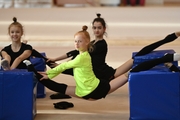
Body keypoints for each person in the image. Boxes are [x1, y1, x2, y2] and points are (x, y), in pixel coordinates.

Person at [23, 25, 180, 100]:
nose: (77, 44)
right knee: (57, 86)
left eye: (80, 41)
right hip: (90, 87)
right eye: (75, 41)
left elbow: (67, 64)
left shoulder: (94, 48)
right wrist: (50, 67)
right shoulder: (83, 51)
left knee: (135, 66)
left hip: (103, 81)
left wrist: (53, 68)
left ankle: (166, 57)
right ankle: (32, 70)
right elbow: (71, 59)